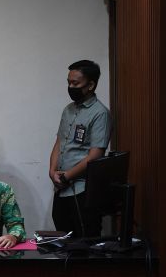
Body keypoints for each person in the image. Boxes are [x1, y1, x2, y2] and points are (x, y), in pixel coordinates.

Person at [49, 60, 111, 237]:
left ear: (90, 84)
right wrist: (52, 171)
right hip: (61, 188)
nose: (70, 87)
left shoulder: (100, 113)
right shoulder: (68, 110)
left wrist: (67, 176)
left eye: (75, 83)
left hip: (83, 190)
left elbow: (95, 156)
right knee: (62, 240)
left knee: (84, 243)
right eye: (69, 82)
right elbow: (59, 142)